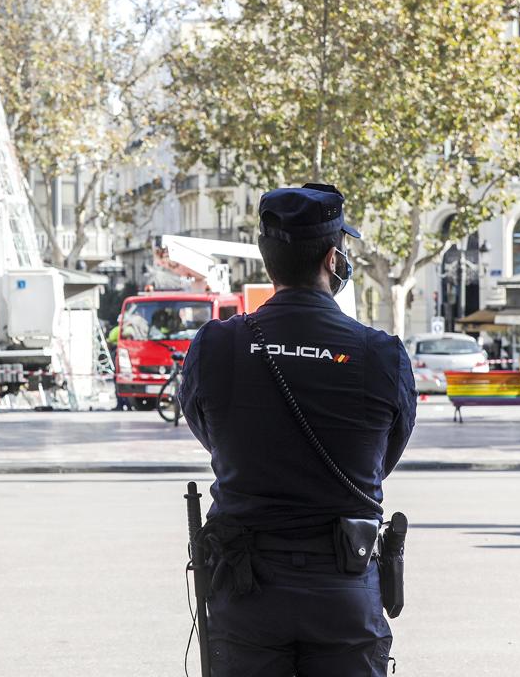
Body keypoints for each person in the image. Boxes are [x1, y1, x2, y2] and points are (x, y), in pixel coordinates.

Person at [178, 183, 417, 676]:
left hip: (246, 592)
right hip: (345, 592)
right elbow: (385, 453)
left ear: (268, 261)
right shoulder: (380, 353)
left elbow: (209, 431)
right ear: (333, 258)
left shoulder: (215, 347)